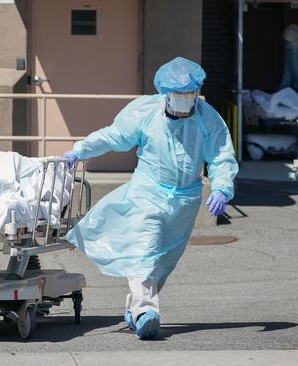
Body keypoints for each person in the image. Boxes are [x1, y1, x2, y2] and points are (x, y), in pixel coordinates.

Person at [62, 57, 238, 339]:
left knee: (164, 262)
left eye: (189, 94)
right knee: (145, 250)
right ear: (165, 92)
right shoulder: (146, 112)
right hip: (149, 193)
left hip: (185, 201)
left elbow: (220, 156)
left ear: (196, 93)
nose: (183, 100)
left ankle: (135, 309)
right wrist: (81, 149)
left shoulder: (208, 118)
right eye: (178, 94)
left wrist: (221, 187)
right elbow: (115, 136)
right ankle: (146, 311)